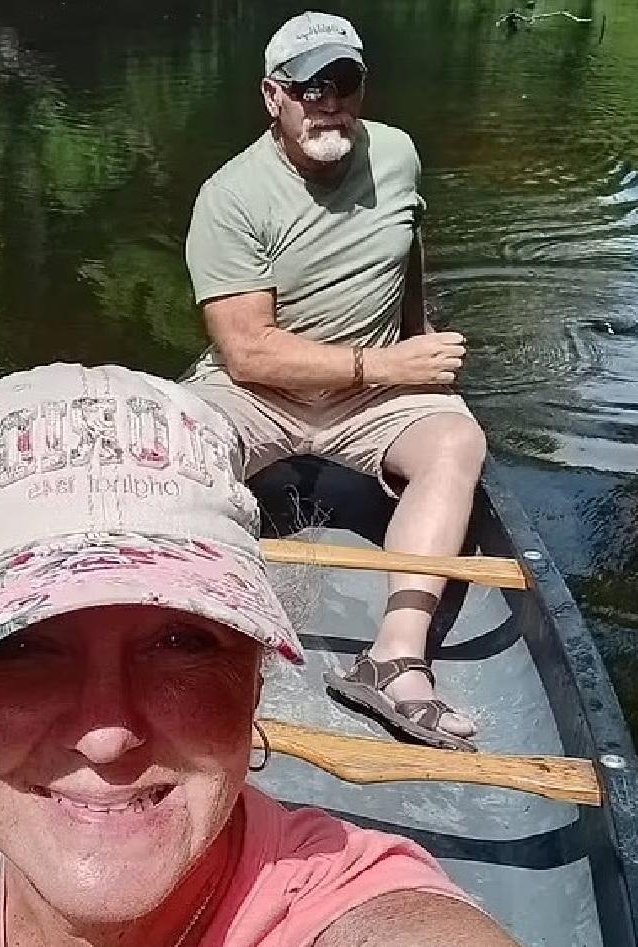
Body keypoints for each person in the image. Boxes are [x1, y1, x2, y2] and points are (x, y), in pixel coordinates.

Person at [0, 364, 517, 947]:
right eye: (18, 647)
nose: (107, 737)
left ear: (255, 676)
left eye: (181, 643)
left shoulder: (366, 922)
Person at [181, 11, 487, 751]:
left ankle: (393, 661)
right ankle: (160, 638)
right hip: (256, 395)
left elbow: (405, 250)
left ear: (361, 88)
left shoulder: (397, 155)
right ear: (272, 96)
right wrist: (387, 364)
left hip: (374, 398)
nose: (328, 103)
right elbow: (247, 352)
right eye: (308, 88)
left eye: (343, 83)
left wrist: (417, 341)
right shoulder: (231, 197)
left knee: (457, 442)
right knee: (166, 452)